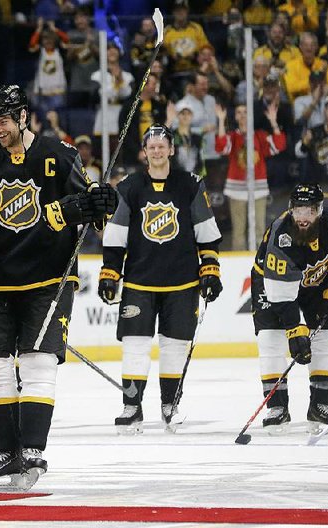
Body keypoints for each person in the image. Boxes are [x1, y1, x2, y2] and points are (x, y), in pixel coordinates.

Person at [0, 84, 117, 490]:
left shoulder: (62, 154)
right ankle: (8, 452)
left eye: (3, 121)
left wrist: (100, 205)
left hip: (49, 278)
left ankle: (34, 450)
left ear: (23, 117)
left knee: (38, 361)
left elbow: (90, 210)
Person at [99, 124, 222, 435]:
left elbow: (206, 233)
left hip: (182, 282)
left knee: (175, 346)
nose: (156, 151)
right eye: (151, 146)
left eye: (161, 145)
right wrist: (110, 272)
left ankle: (170, 405)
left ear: (171, 149)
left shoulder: (191, 184)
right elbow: (115, 237)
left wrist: (210, 269)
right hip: (140, 282)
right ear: (144, 151)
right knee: (135, 346)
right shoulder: (128, 187)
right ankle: (132, 407)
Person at [250, 183, 328, 435]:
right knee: (271, 339)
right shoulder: (282, 234)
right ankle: (277, 408)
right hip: (271, 283)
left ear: (320, 210)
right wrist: (294, 329)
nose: (303, 217)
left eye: (310, 211)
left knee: (327, 335)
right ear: (290, 209)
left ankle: (319, 405)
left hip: (317, 282)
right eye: (298, 210)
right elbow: (280, 294)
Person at [215, 102, 286, 251]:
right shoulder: (233, 136)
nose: (242, 115)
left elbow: (279, 145)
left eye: (245, 112)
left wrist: (273, 122)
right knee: (238, 232)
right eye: (239, 112)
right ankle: (239, 268)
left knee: (259, 230)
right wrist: (221, 120)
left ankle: (259, 265)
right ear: (235, 116)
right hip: (236, 190)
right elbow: (222, 147)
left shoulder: (260, 136)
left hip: (258, 189)